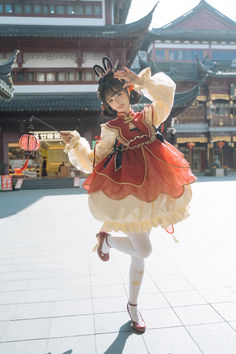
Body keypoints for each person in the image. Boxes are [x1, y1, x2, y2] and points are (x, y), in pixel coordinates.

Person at [60, 57, 196, 333]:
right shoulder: (110, 130)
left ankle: (133, 307)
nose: (117, 102)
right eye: (110, 100)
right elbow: (95, 162)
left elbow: (167, 94)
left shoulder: (148, 115)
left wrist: (143, 81)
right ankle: (107, 238)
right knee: (144, 250)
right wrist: (75, 143)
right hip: (129, 197)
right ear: (107, 105)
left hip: (153, 189)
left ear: (128, 91)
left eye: (119, 94)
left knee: (138, 254)